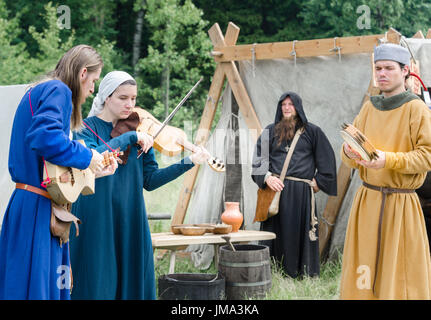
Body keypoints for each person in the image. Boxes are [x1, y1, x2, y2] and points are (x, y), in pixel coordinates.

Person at [69, 71, 210, 300]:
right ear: (106, 97)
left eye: (133, 98)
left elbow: (150, 180)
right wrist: (130, 138)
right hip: (97, 217)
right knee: (96, 280)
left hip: (130, 217)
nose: (130, 104)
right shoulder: (85, 128)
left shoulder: (140, 133)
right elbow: (93, 159)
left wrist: (189, 162)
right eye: (123, 98)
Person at [0, 45, 118, 300]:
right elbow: (44, 139)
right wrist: (88, 155)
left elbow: (49, 168)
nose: (93, 89)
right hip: (37, 210)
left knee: (23, 286)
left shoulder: (39, 90)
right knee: (36, 289)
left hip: (30, 203)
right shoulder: (59, 90)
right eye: (94, 80)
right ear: (83, 73)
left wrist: (92, 172)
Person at [340, 43, 431, 299]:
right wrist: (349, 152)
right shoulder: (369, 107)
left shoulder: (417, 109)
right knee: (363, 268)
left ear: (405, 72)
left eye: (389, 68)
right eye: (378, 68)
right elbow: (351, 154)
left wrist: (388, 160)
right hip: (367, 201)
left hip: (400, 204)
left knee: (400, 272)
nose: (382, 73)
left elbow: (427, 156)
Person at [251, 91, 337, 278]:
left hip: (300, 194)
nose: (287, 108)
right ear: (280, 107)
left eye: (291, 104)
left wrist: (319, 182)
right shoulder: (269, 131)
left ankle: (301, 272)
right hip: (274, 192)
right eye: (284, 104)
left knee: (299, 234)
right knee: (275, 233)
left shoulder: (312, 132)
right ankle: (272, 271)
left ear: (298, 107)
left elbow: (327, 159)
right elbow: (258, 159)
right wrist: (266, 178)